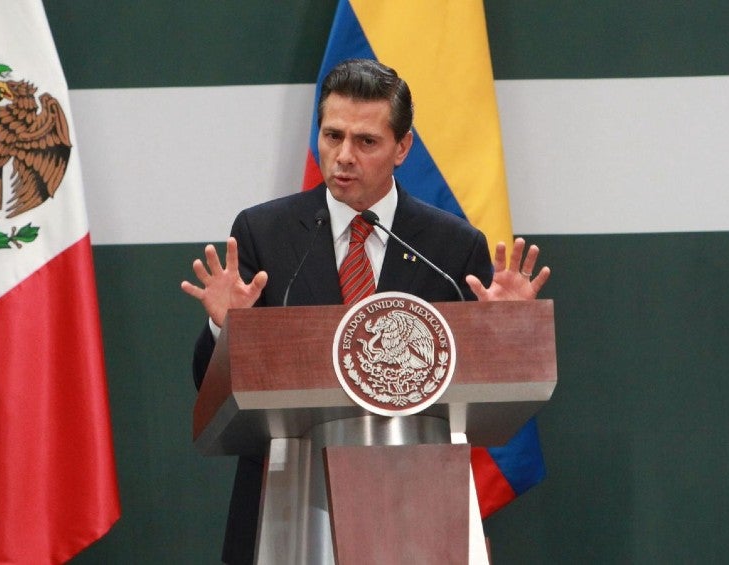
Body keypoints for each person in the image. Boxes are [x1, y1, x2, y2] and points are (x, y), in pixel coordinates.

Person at [181, 58, 550, 565]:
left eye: (366, 141)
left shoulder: (451, 246)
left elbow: (480, 391)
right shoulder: (264, 233)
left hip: (416, 510)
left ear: (403, 147)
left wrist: (503, 336)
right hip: (286, 508)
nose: (343, 157)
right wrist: (225, 330)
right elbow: (210, 386)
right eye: (332, 136)